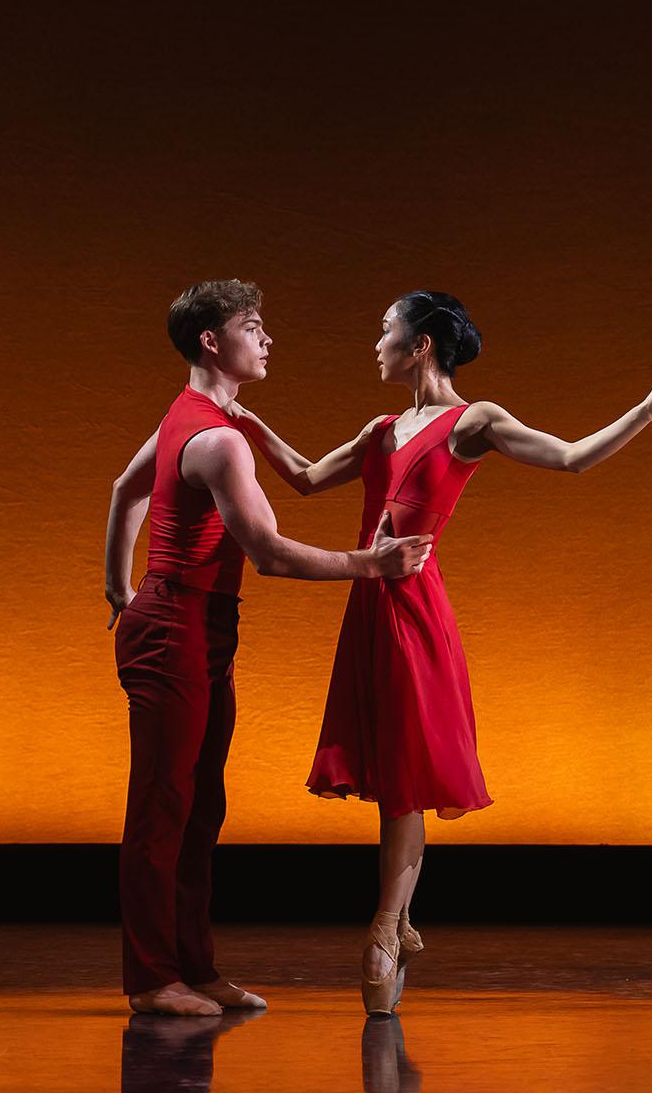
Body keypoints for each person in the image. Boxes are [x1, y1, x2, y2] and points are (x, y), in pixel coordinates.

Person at [230, 291, 652, 1013]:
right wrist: (249, 423)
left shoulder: (472, 421)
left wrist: (646, 410)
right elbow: (303, 476)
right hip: (368, 605)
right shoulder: (381, 429)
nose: (376, 341)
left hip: (417, 611)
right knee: (390, 767)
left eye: (385, 329)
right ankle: (398, 919)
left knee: (407, 775)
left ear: (420, 344)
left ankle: (385, 928)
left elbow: (570, 459)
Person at [104, 280, 433, 1018]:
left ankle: (196, 968)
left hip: (201, 626)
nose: (268, 339)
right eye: (254, 327)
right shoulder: (216, 438)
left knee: (200, 808)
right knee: (163, 807)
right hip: (178, 626)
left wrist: (118, 589)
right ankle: (152, 980)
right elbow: (271, 554)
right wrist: (370, 564)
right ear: (213, 343)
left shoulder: (204, 418)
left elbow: (124, 488)